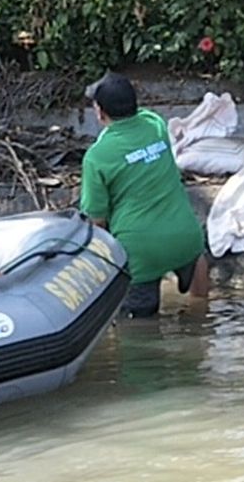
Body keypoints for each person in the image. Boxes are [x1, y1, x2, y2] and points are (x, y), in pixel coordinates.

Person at [79, 72, 209, 318]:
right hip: (186, 238)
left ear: (99, 112)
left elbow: (96, 221)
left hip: (140, 254)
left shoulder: (97, 157)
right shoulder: (156, 125)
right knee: (198, 302)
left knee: (139, 334)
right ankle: (201, 324)